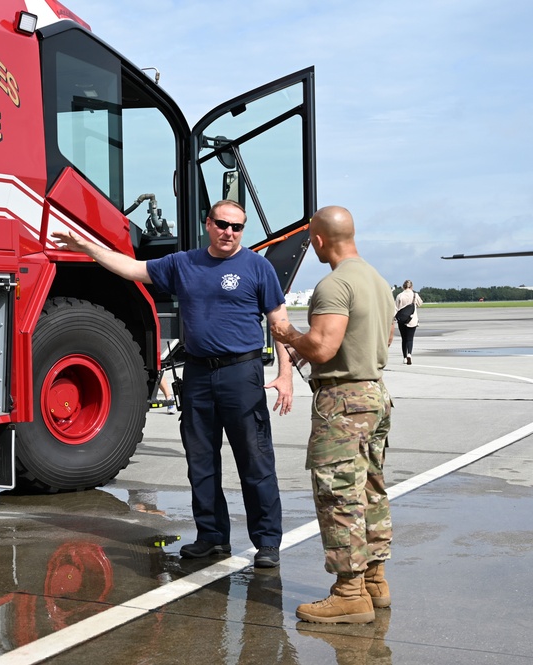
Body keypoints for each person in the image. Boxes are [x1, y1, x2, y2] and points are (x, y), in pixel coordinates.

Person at [52, 199, 293, 569]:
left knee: (254, 458)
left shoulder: (257, 267)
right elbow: (132, 268)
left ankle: (267, 542)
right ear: (208, 223)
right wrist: (87, 247)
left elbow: (279, 321)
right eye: (222, 224)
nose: (229, 232)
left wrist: (286, 374)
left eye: (237, 227)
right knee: (201, 460)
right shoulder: (184, 263)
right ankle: (212, 537)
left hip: (241, 374)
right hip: (197, 373)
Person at [270, 205, 395, 624]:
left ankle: (349, 593)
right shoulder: (378, 281)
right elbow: (387, 338)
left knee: (339, 495)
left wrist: (287, 333)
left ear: (319, 240)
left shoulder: (334, 285)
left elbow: (322, 349)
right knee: (370, 489)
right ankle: (375, 582)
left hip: (342, 402)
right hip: (375, 394)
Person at [394, 280, 422, 364]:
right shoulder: (415, 295)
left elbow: (396, 308)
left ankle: (405, 357)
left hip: (402, 320)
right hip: (412, 319)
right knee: (410, 339)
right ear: (411, 286)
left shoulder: (400, 295)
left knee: (404, 339)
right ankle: (409, 353)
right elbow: (420, 303)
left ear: (403, 287)